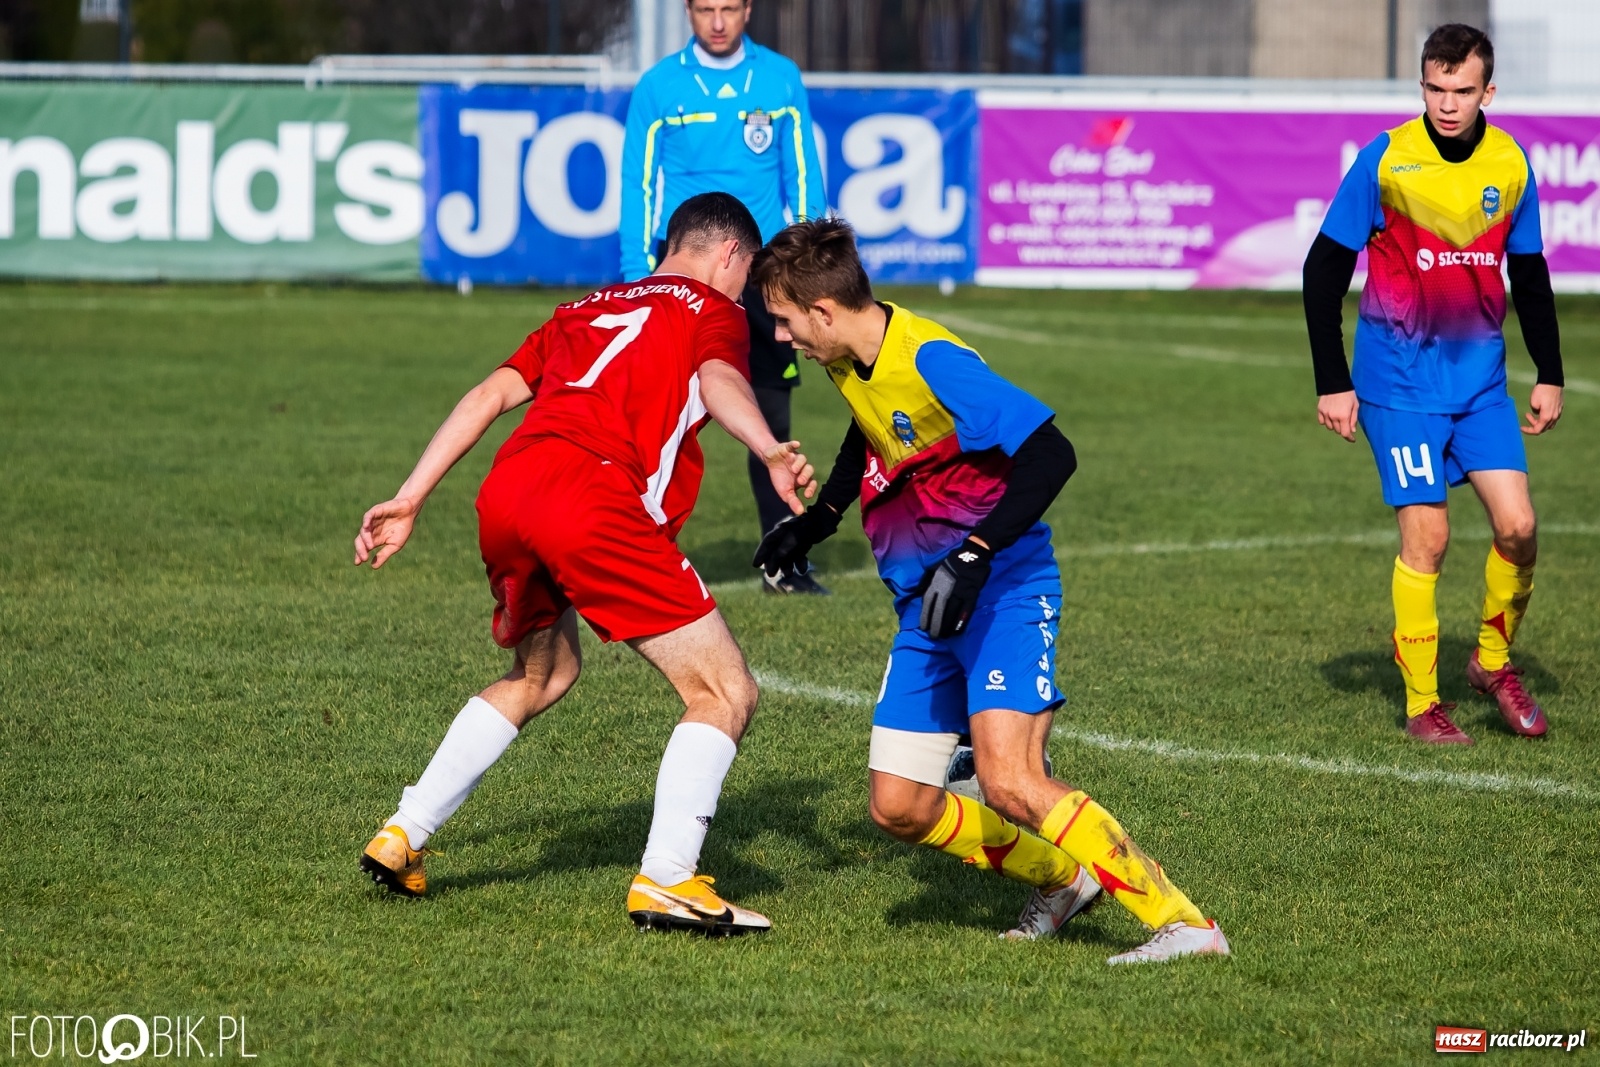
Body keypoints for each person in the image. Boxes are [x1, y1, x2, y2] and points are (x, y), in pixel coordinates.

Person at [749, 219, 1229, 965]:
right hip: (928, 604)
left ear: (822, 312)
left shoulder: (933, 359)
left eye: (783, 320)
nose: (781, 337)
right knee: (898, 805)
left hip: (999, 586)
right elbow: (868, 431)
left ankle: (1187, 924)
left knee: (1009, 781)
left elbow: (1051, 452)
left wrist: (974, 553)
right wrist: (817, 522)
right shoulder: (849, 358)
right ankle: (1065, 880)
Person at [353, 193, 815, 936]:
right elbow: (721, 381)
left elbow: (489, 394)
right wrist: (768, 448)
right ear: (728, 253)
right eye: (747, 274)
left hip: (510, 489)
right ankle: (667, 879)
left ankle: (402, 831)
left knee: (542, 674)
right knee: (725, 690)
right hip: (591, 496)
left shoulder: (585, 305)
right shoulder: (710, 310)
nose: (744, 295)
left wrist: (410, 497)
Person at [1303, 23, 1563, 744]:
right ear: (1422, 86)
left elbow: (1532, 275)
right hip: (1398, 383)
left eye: (1463, 91)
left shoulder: (1511, 163)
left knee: (1519, 527)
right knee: (1431, 537)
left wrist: (1550, 371)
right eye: (1436, 89)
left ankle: (1490, 662)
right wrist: (1334, 379)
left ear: (1488, 91)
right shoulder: (1386, 161)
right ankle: (1423, 704)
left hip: (1480, 385)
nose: (1448, 104)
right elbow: (1322, 270)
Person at [621, 0, 829, 595]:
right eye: (705, 8)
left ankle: (783, 563)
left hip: (759, 276)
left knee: (768, 415)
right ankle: (628, 553)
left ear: (748, 9)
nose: (717, 21)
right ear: (688, 10)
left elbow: (804, 177)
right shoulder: (658, 86)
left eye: (729, 8)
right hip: (680, 278)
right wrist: (637, 273)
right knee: (652, 417)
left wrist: (806, 264)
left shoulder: (779, 79)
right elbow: (636, 183)